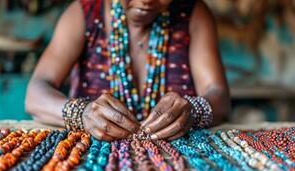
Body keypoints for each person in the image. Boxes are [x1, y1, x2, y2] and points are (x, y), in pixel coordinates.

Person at [25, 0, 230, 141]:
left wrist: (193, 110)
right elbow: (36, 94)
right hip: (90, 161)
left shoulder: (193, 13)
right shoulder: (85, 12)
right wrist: (82, 113)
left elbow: (219, 96)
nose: (146, 1)